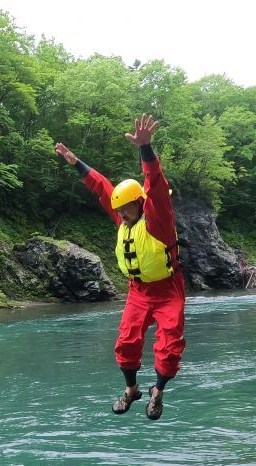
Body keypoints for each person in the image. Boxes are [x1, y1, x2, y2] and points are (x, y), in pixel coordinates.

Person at [55, 114, 185, 420]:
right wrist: (77, 164)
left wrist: (146, 149)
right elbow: (102, 188)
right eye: (120, 210)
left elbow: (155, 185)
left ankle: (158, 392)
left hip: (168, 289)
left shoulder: (159, 222)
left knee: (168, 347)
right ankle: (131, 390)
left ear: (140, 204)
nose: (121, 213)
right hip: (138, 291)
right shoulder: (124, 220)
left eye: (126, 207)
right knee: (126, 342)